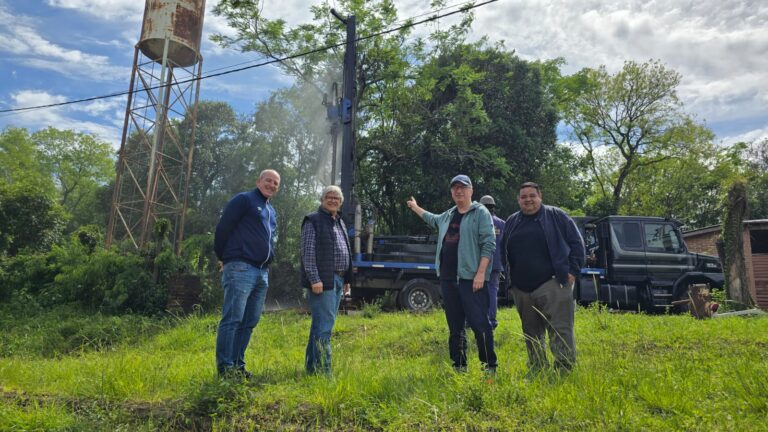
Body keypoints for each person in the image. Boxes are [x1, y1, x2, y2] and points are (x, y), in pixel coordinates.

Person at [407, 175, 498, 372]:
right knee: (455, 327)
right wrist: (415, 207)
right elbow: (431, 218)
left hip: (471, 280)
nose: (459, 191)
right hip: (448, 279)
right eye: (455, 188)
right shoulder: (448, 215)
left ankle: (489, 366)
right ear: (451, 192)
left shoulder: (481, 213)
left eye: (462, 187)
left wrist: (480, 274)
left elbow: (489, 245)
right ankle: (459, 366)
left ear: (471, 190)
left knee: (480, 324)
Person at [500, 182, 585, 373]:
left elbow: (577, 243)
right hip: (521, 288)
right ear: (518, 200)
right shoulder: (512, 221)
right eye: (523, 197)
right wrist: (510, 280)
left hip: (553, 282)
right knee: (531, 332)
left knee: (560, 329)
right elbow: (502, 249)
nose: (528, 200)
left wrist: (572, 271)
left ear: (540, 196)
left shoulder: (556, 215)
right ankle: (537, 367)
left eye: (532, 195)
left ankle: (564, 368)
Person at [213, 169, 281, 378]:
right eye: (268, 180)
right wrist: (223, 257)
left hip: (262, 272)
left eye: (276, 183)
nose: (272, 185)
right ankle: (225, 369)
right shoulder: (244, 200)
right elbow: (223, 228)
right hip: (240, 266)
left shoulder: (271, 211)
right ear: (258, 181)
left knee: (250, 321)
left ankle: (237, 366)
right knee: (233, 318)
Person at [300, 185, 353, 374]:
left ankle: (312, 368)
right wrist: (314, 279)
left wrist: (347, 278)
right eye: (329, 197)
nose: (333, 200)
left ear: (340, 203)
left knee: (319, 326)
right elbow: (307, 253)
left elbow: (346, 251)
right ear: (322, 200)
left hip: (338, 279)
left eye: (336, 198)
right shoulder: (312, 220)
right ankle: (324, 372)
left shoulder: (340, 222)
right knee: (324, 327)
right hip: (323, 281)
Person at [479, 195, 505, 329]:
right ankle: (492, 321)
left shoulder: (478, 221)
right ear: (494, 207)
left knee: (476, 292)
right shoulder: (502, 223)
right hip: (496, 264)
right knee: (493, 291)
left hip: (480, 264)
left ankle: (476, 319)